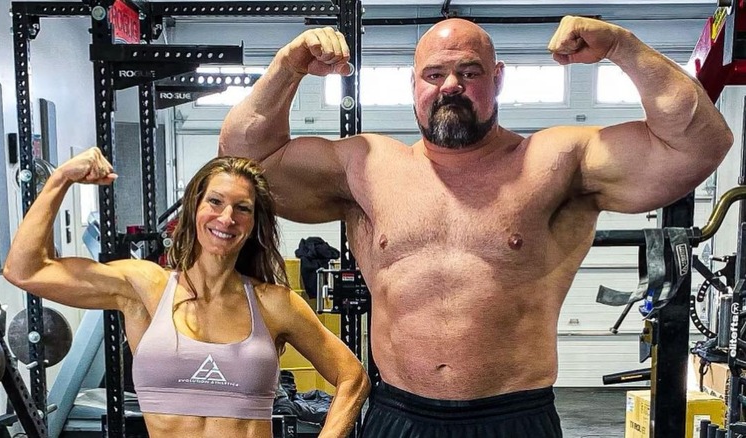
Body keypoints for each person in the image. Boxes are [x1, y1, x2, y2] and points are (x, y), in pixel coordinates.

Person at [218, 15, 734, 438]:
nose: (451, 87)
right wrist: (288, 66)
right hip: (398, 416)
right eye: (434, 74)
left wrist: (623, 46)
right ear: (413, 84)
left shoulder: (555, 160)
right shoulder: (365, 166)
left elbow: (700, 144)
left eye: (470, 72)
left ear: (498, 77)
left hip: (514, 419)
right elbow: (242, 157)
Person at [3, 148, 370, 438]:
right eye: (215, 202)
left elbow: (352, 377)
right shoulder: (146, 288)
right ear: (195, 206)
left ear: (253, 224)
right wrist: (60, 180)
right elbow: (25, 270)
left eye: (242, 208)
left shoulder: (273, 303)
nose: (226, 218)